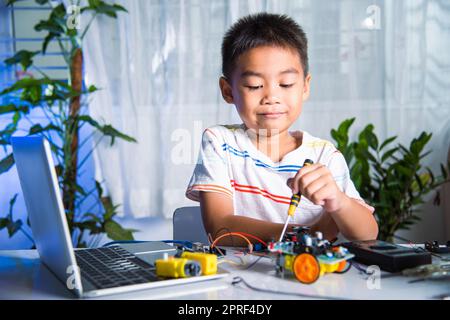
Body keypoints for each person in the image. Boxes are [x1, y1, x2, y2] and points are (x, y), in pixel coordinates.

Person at [185, 13, 378, 245]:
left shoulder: (324, 155)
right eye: (254, 85)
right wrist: (306, 235)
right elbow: (220, 228)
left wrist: (339, 202)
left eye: (286, 84)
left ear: (305, 87)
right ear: (228, 91)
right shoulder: (220, 142)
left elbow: (368, 234)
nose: (272, 97)